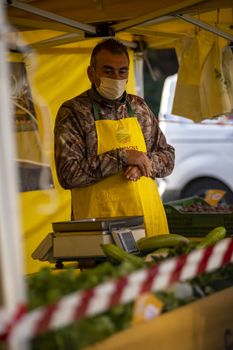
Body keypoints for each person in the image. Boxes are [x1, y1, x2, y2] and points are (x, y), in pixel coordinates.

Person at [54, 38, 175, 237]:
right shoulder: (74, 111)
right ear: (91, 73)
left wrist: (142, 163)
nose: (116, 77)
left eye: (123, 71)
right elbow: (68, 174)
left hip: (149, 223)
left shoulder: (139, 107)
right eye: (108, 71)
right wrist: (123, 157)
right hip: (101, 230)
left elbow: (168, 157)